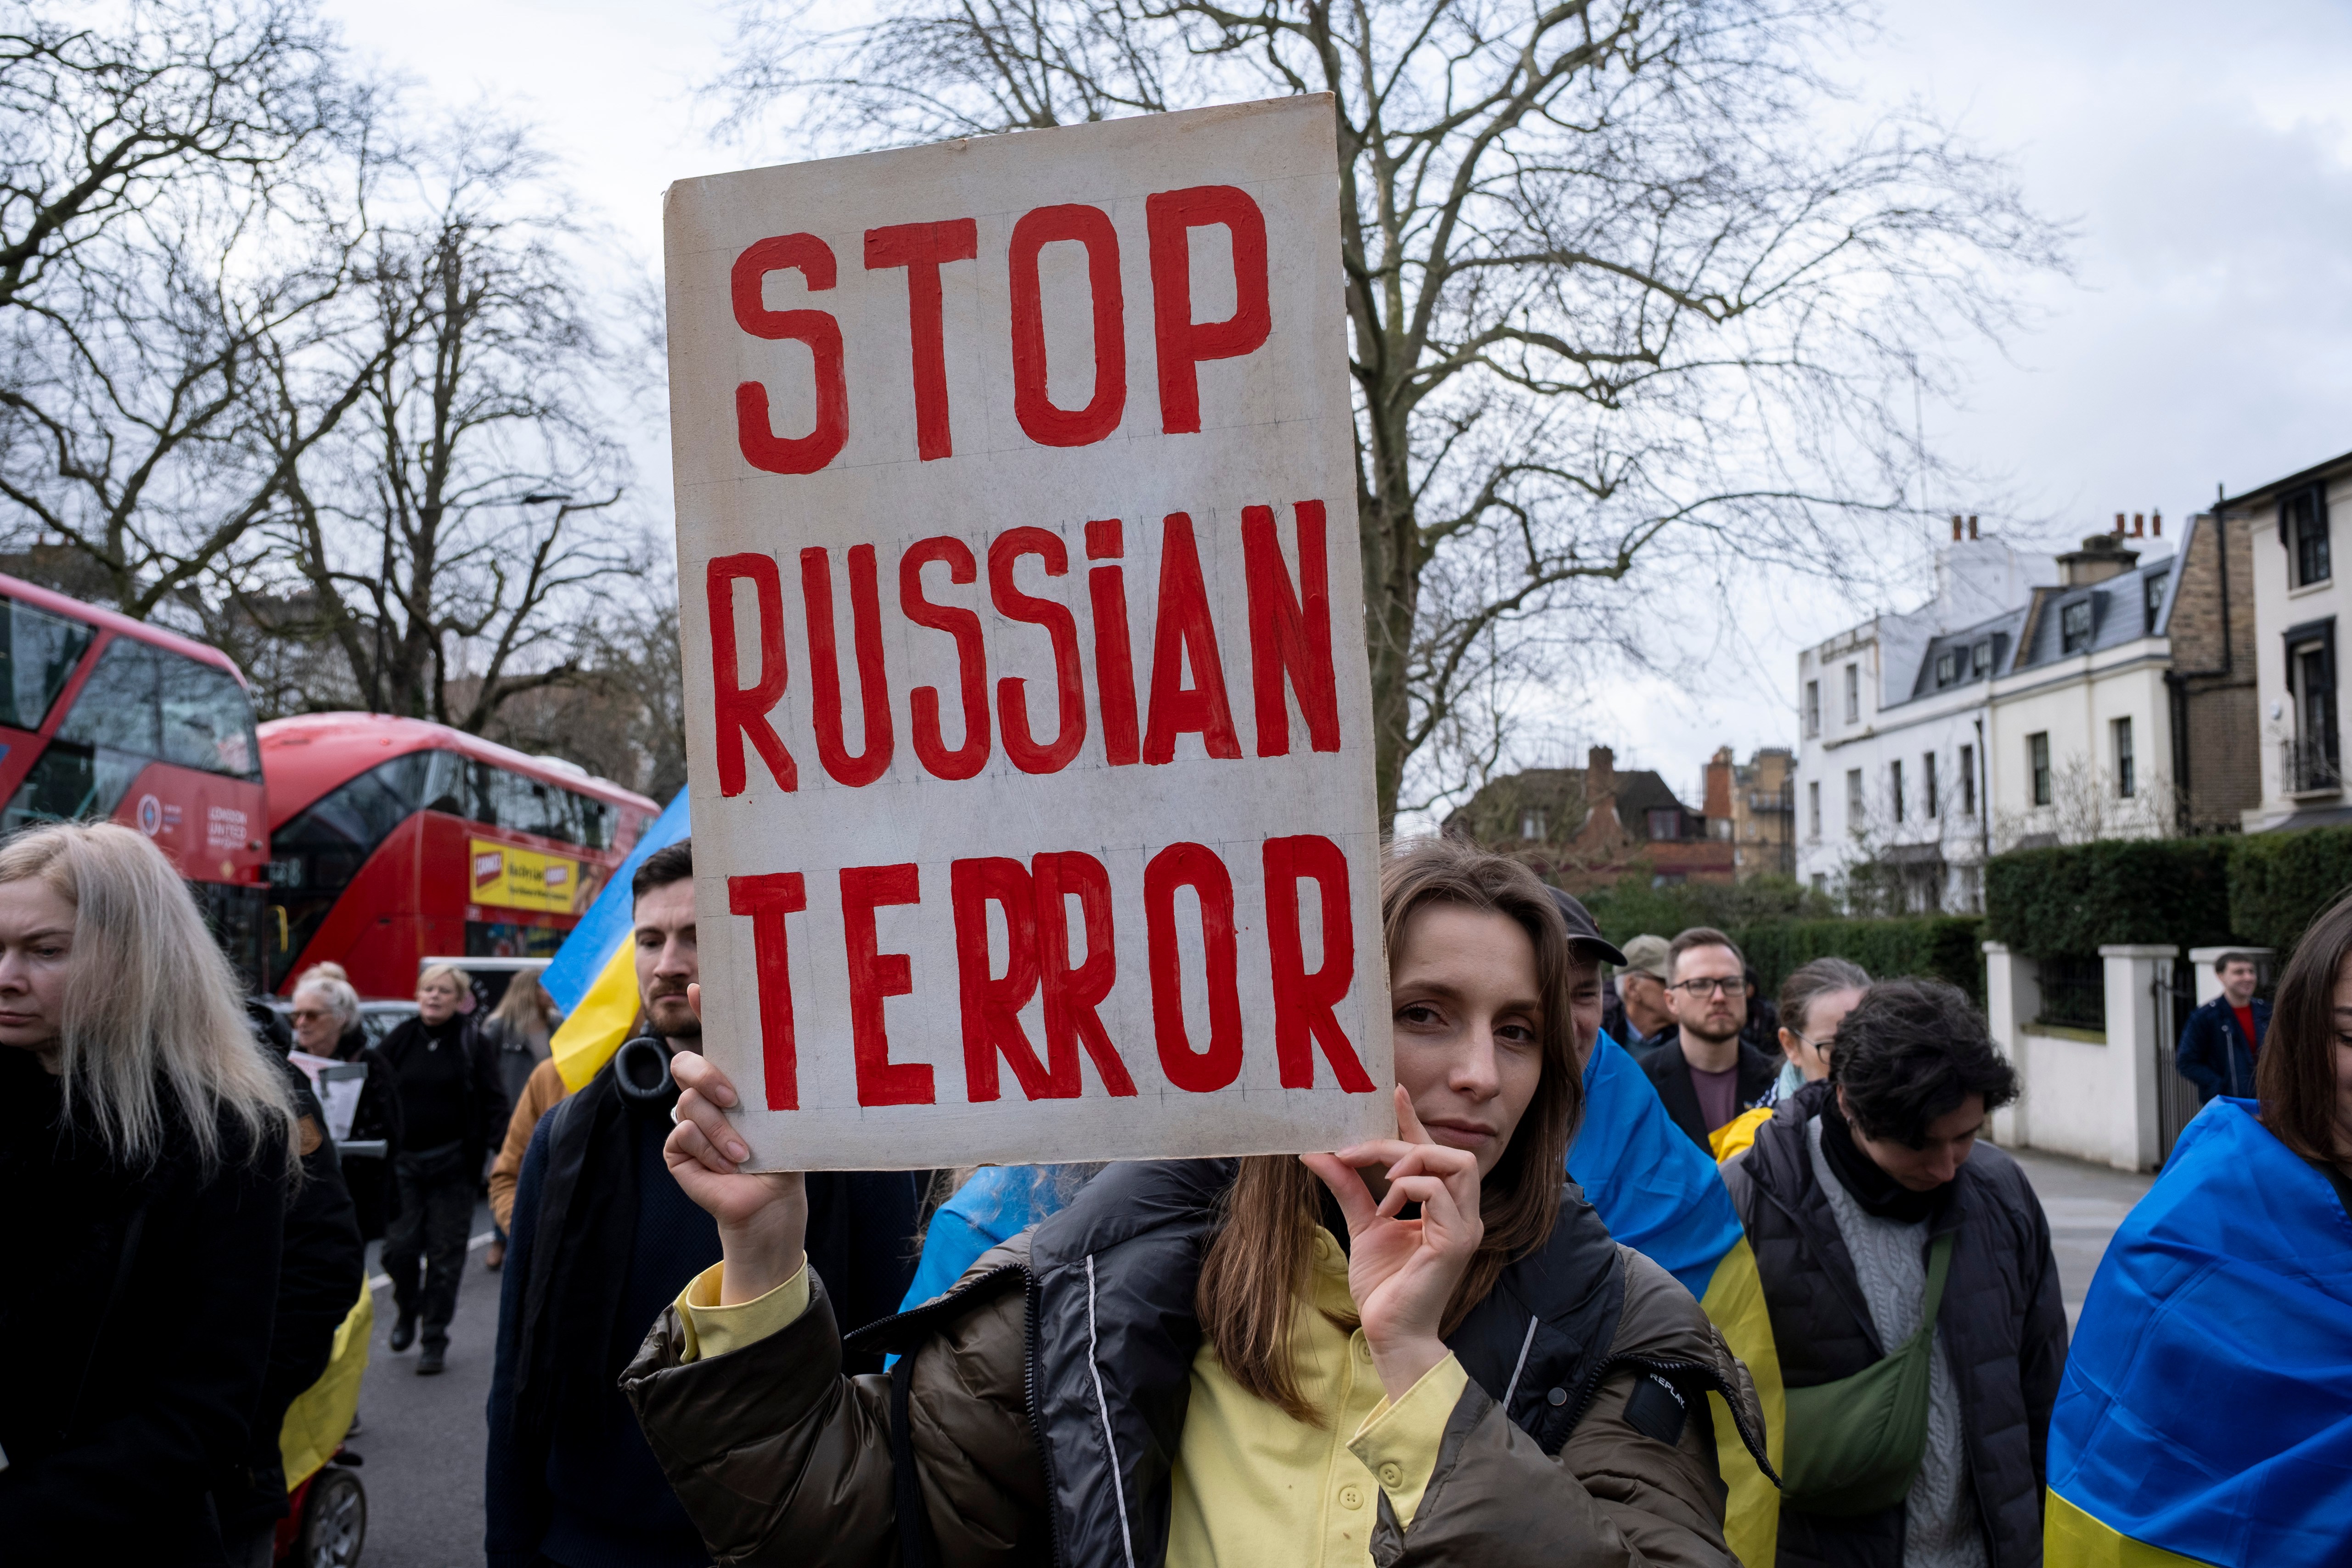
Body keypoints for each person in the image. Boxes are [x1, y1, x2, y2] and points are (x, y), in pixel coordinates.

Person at [628, 837, 1772, 1567]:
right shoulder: (1101, 1275)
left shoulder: (1615, 1314)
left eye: (1516, 1028)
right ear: (1309, 1020)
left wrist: (1418, 1371)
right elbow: (840, 1521)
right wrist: (762, 1251)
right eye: (1423, 1011)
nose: (1481, 1070)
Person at [487, 839, 923, 1568]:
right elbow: (516, 1372)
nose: (667, 961)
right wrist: (510, 1544)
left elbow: (889, 1361)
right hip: (584, 1546)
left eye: (697, 935)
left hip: (791, 1544)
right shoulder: (566, 1136)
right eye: (650, 939)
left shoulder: (844, 1136)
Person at [0, 821, 298, 1560]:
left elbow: (202, 1410)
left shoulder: (225, 1134)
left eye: (44, 950)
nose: (6, 974)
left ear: (135, 961)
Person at [2043, 896, 2352, 1567]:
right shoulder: (2202, 1207)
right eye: (2351, 1035)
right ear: (2300, 1029)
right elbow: (2130, 1456)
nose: (2243, 978)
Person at [1722, 979, 2065, 1568]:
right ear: (1848, 1102)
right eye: (1918, 1146)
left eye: (1965, 1136)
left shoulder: (2002, 1191)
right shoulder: (1746, 1202)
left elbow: (2045, 1392)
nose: (1946, 1167)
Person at [220, 1046, 367, 1567]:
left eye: (47, 956)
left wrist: (238, 1402)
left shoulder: (252, 1079)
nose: (8, 979)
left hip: (210, 1468)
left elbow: (324, 1267)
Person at [378, 961, 506, 1374]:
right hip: (404, 1167)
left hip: (454, 1166)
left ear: (459, 1000)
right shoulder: (399, 1040)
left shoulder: (473, 1042)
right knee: (398, 1250)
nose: (434, 996)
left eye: (444, 991)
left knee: (445, 1258)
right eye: (428, 989)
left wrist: (503, 1150)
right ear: (417, 995)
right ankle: (406, 1307)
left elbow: (493, 1101)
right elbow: (370, 1086)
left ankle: (434, 1338)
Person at [1712, 957, 1871, 1165]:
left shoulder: (1906, 1113)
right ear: (1791, 1046)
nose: (1857, 1062)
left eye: (1870, 1042)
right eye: (1833, 1048)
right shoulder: (1752, 1146)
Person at [289, 964, 405, 1241]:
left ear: (341, 1018)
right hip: (297, 1201)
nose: (302, 1023)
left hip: (352, 1201)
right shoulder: (287, 1062)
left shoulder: (371, 1066)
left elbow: (390, 1135)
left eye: (313, 1015)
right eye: (296, 1015)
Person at [1640, 927, 1781, 1154]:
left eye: (1732, 983)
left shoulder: (1778, 1082)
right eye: (1700, 985)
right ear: (1671, 1001)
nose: (1719, 997)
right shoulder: (1641, 1084)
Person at [478, 971, 561, 1268]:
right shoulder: (499, 1027)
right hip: (510, 1113)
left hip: (548, 1109)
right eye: (545, 986)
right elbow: (484, 1073)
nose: (551, 991)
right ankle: (501, 1239)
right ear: (529, 990)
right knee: (506, 1171)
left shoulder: (557, 1023)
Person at [2173, 949, 2269, 1103]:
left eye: (2251, 971)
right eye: (2239, 972)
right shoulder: (2205, 1017)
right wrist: (2218, 1085)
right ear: (2221, 976)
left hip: (2268, 1104)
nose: (2248, 977)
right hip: (2227, 1107)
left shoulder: (2267, 1012)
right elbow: (2186, 1062)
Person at [1606, 932, 1675, 1051]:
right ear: (1633, 987)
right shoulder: (1593, 1037)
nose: (1679, 990)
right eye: (1668, 982)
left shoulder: (1692, 1038)